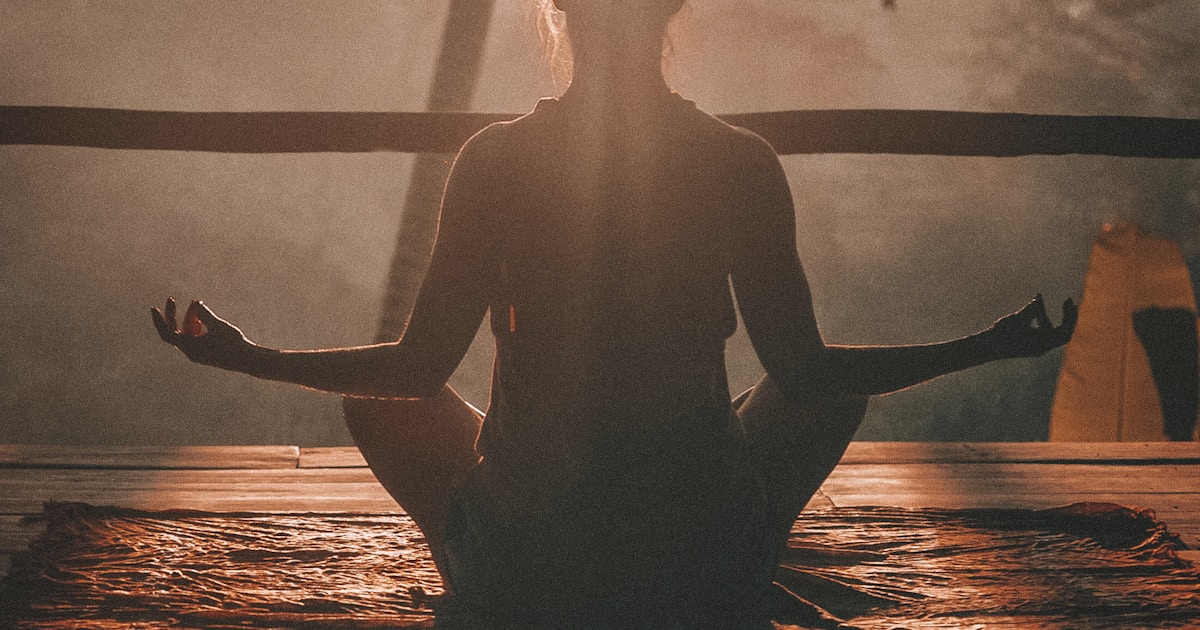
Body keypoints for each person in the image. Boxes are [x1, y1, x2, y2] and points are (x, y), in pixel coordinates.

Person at [152, 0, 1076, 627]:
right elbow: (808, 373)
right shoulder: (738, 162)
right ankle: (741, 560)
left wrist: (249, 355)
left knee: (377, 405)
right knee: (827, 392)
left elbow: (415, 370)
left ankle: (481, 576)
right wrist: (986, 346)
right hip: (694, 555)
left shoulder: (496, 160)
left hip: (533, 560)